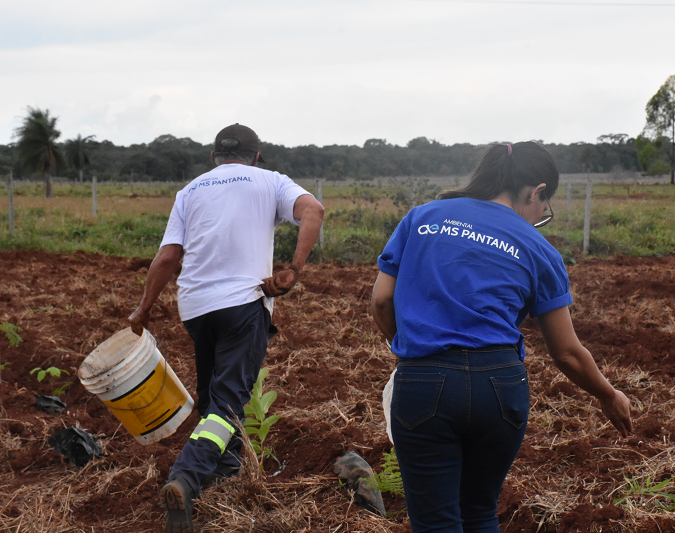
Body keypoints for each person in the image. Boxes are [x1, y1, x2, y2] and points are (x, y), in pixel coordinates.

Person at [370, 141, 632, 533]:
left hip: (424, 382)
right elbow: (567, 353)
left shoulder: (422, 218)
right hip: (501, 386)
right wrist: (608, 395)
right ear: (536, 191)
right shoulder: (539, 249)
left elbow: (381, 301)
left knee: (435, 521)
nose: (541, 215)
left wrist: (410, 351)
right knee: (478, 512)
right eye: (545, 206)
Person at [128, 123, 324, 533]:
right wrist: (294, 269)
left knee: (212, 395)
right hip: (243, 305)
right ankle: (187, 476)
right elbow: (313, 211)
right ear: (255, 157)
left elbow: (167, 258)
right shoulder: (271, 182)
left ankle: (228, 475)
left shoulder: (191, 190)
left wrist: (143, 309)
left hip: (196, 307)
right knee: (228, 403)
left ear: (213, 157)